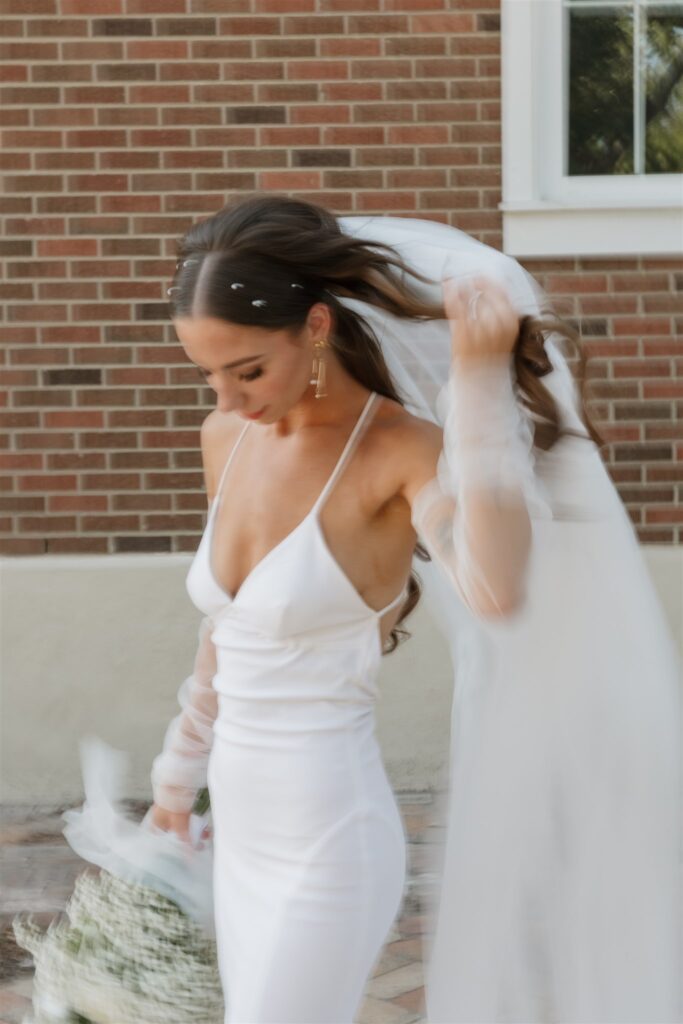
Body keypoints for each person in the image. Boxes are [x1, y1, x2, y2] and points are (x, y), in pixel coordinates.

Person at [148, 195, 682, 1023]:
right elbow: (229, 630)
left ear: (316, 328)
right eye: (207, 375)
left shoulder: (398, 452)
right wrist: (174, 783)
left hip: (329, 842)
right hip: (240, 831)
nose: (227, 398)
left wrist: (474, 384)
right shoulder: (229, 437)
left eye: (248, 370)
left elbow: (494, 588)